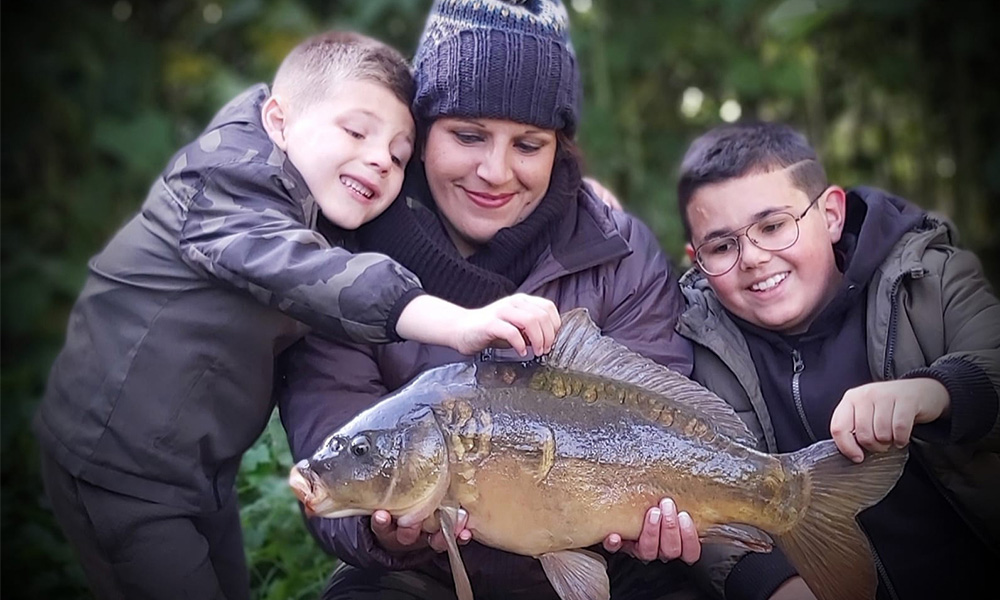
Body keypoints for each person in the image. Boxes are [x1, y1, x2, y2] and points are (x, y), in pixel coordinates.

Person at [34, 30, 565, 600]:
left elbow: (441, 186)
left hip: (198, 469)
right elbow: (313, 274)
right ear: (278, 120)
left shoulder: (323, 191)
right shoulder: (225, 181)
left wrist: (570, 196)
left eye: (396, 154)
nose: (377, 161)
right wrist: (459, 324)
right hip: (116, 464)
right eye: (357, 131)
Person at [277, 1, 708, 599]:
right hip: (421, 575)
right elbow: (333, 432)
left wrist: (654, 523)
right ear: (421, 132)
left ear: (559, 146)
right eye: (469, 135)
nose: (495, 171)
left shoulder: (618, 249)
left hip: (607, 562)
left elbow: (662, 406)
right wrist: (387, 537)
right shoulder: (344, 265)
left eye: (528, 144)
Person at [673, 121, 1000, 600]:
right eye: (722, 246)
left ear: (830, 214)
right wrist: (774, 588)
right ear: (696, 258)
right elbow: (704, 501)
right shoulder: (697, 345)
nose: (753, 258)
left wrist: (933, 393)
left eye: (773, 226)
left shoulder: (930, 277)